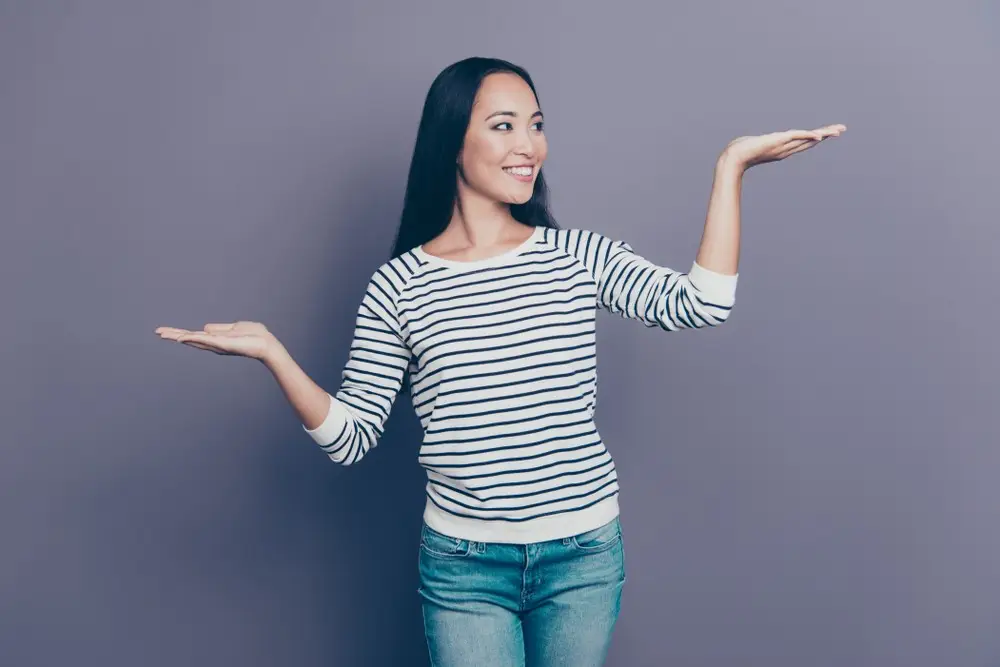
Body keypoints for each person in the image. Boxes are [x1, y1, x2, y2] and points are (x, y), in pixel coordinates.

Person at [155, 56, 844, 667]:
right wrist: (274, 353)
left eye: (536, 124)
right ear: (453, 141)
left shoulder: (577, 257)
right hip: (462, 570)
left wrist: (731, 167)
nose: (529, 145)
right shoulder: (399, 287)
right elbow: (352, 439)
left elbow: (701, 303)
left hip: (582, 556)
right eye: (505, 125)